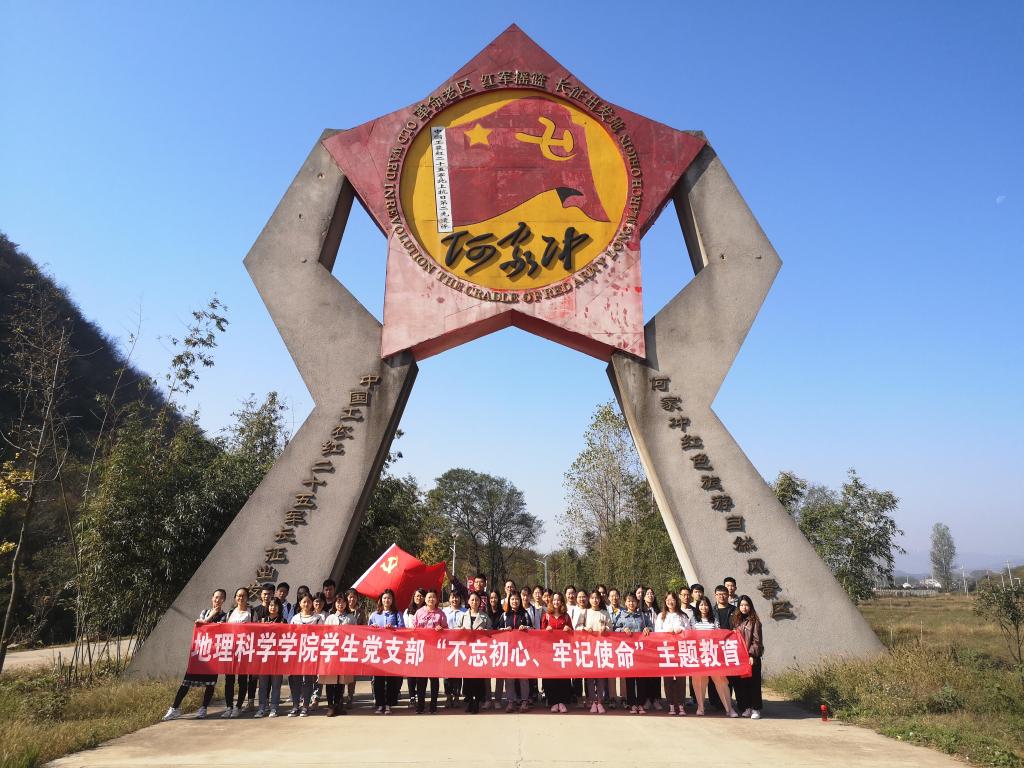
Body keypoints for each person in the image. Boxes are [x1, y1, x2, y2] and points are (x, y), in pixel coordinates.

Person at [162, 588, 227, 721]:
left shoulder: (225, 616)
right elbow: (200, 625)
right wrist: (211, 615)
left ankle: (203, 708)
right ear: (212, 598)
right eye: (216, 597)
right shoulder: (205, 612)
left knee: (210, 684)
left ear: (224, 600)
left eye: (221, 598)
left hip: (213, 654)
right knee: (186, 682)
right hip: (200, 652)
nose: (218, 600)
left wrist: (217, 624)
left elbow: (223, 631)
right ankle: (174, 708)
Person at [691, 596, 738, 717]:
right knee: (699, 681)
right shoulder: (693, 619)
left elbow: (719, 633)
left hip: (713, 654)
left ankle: (729, 709)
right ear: (698, 607)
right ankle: (701, 708)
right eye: (701, 605)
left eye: (706, 605)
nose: (704, 607)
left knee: (721, 681)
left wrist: (732, 633)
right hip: (698, 655)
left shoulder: (714, 618)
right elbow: (689, 635)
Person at [614, 592, 652, 713]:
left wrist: (648, 629)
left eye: (633, 601)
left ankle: (641, 703)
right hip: (627, 651)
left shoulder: (642, 615)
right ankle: (632, 704)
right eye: (629, 601)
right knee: (630, 679)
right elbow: (614, 629)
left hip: (640, 651)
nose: (631, 603)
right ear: (625, 602)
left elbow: (651, 627)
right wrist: (622, 629)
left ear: (637, 602)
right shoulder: (620, 615)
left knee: (641, 679)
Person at [367, 589, 404, 713]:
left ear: (392, 600)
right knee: (378, 679)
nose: (386, 600)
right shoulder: (374, 615)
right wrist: (372, 628)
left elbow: (403, 629)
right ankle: (380, 704)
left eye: (389, 598)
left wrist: (394, 628)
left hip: (392, 650)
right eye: (384, 598)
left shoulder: (397, 614)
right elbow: (367, 630)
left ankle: (389, 704)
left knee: (391, 679)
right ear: (381, 600)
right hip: (378, 650)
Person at [655, 590, 691, 715]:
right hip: (666, 651)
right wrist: (666, 631)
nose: (670, 602)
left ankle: (681, 705)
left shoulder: (683, 615)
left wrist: (681, 629)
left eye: (673, 599)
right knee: (668, 679)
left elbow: (689, 630)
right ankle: (671, 704)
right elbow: (657, 632)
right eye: (668, 599)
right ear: (665, 601)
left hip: (680, 651)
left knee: (681, 679)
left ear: (676, 601)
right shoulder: (661, 616)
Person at [288, 593, 323, 717]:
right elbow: (290, 635)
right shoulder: (295, 618)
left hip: (310, 652)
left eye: (309, 601)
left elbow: (322, 635)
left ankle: (305, 706)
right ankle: (295, 706)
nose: (306, 604)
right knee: (295, 680)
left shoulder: (318, 618)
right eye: (304, 602)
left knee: (308, 680)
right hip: (297, 653)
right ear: (300, 603)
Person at [412, 588, 448, 713]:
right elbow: (413, 629)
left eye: (433, 597)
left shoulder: (440, 614)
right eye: (428, 597)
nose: (431, 599)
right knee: (421, 680)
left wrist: (442, 630)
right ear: (425, 599)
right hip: (422, 650)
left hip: (435, 651)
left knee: (434, 679)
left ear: (437, 599)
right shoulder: (419, 612)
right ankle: (420, 705)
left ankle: (433, 705)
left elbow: (447, 630)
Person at [456, 592, 492, 713]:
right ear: (468, 601)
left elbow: (492, 632)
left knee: (478, 678)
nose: (474, 602)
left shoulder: (485, 616)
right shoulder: (463, 616)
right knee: (467, 678)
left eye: (477, 600)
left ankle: (477, 701)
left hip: (479, 651)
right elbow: (455, 631)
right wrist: (460, 630)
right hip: (466, 651)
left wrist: (484, 630)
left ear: (480, 602)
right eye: (472, 600)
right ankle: (470, 700)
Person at [497, 590, 532, 712]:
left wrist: (525, 628)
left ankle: (524, 702)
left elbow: (533, 629)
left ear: (520, 601)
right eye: (512, 599)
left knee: (523, 677)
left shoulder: (525, 614)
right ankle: (510, 702)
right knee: (509, 677)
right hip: (509, 651)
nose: (515, 601)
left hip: (522, 651)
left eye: (517, 599)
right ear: (509, 601)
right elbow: (497, 630)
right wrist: (504, 630)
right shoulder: (504, 615)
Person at [221, 587, 253, 719]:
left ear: (247, 598)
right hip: (230, 649)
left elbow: (256, 631)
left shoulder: (251, 613)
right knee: (229, 679)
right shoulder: (230, 613)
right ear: (235, 598)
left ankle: (238, 706)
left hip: (244, 650)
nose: (241, 598)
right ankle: (229, 707)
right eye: (238, 595)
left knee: (242, 679)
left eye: (243, 595)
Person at [731, 595, 764, 719]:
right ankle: (747, 707)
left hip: (751, 657)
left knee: (754, 684)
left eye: (746, 605)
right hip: (740, 657)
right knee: (742, 684)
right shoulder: (736, 621)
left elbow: (757, 641)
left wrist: (752, 655)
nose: (744, 608)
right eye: (741, 605)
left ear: (750, 606)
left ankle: (756, 708)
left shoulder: (755, 622)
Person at [578, 590, 610, 713]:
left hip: (601, 648)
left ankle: (600, 701)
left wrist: (606, 628)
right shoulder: (585, 612)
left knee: (600, 677)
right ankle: (592, 701)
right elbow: (578, 627)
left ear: (600, 600)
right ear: (589, 599)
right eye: (592, 598)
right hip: (588, 648)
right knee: (590, 677)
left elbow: (611, 628)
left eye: (597, 598)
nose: (595, 600)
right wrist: (585, 628)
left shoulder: (604, 613)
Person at [541, 592, 573, 713]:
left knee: (563, 677)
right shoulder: (546, 616)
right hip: (549, 651)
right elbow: (540, 633)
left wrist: (568, 629)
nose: (556, 602)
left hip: (563, 651)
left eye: (558, 600)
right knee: (550, 677)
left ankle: (562, 702)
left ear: (562, 602)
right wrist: (546, 630)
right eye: (554, 600)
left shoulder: (566, 617)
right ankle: (553, 701)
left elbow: (572, 632)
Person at [255, 596, 286, 718]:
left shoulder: (283, 621)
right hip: (264, 657)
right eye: (271, 605)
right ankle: (262, 708)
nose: (273, 607)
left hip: (277, 658)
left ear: (279, 607)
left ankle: (274, 708)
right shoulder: (262, 620)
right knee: (262, 685)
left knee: (276, 685)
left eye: (275, 605)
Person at [321, 593, 351, 716]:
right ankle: (330, 706)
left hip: (344, 652)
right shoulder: (330, 618)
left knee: (341, 681)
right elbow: (324, 634)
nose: (340, 604)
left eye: (343, 602)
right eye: (338, 602)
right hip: (331, 652)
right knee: (330, 680)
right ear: (335, 604)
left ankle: (339, 705)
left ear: (346, 604)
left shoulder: (350, 618)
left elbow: (356, 634)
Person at [442, 591, 467, 707]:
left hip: (460, 646)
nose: (454, 600)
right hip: (447, 646)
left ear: (460, 599)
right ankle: (448, 696)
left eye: (457, 597)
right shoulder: (444, 611)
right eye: (452, 597)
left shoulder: (465, 612)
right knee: (447, 673)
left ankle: (457, 696)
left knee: (458, 672)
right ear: (449, 599)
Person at [403, 588, 427, 707]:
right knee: (411, 672)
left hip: (425, 645)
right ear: (413, 597)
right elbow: (404, 627)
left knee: (422, 672)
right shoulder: (407, 611)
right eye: (417, 596)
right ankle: (412, 696)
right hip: (411, 644)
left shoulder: (427, 611)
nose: (419, 598)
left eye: (422, 596)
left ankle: (421, 696)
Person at [640, 587, 662, 711]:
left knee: (656, 674)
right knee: (646, 674)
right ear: (643, 597)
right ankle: (647, 699)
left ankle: (656, 699)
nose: (650, 595)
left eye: (652, 593)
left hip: (657, 645)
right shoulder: (640, 611)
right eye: (648, 594)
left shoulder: (659, 611)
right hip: (644, 646)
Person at [340, 589, 363, 705]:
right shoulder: (341, 610)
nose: (352, 599)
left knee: (352, 672)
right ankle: (340, 695)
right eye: (350, 597)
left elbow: (364, 627)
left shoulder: (360, 612)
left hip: (354, 645)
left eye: (354, 597)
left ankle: (350, 696)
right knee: (341, 672)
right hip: (340, 646)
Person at [569, 588, 589, 706]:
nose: (582, 599)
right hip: (576, 643)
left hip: (589, 644)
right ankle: (578, 696)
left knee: (587, 672)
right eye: (579, 597)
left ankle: (588, 697)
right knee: (577, 672)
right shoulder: (573, 610)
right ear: (576, 599)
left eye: (584, 596)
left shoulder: (591, 610)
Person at [484, 590, 504, 709]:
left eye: (495, 597)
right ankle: (488, 699)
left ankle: (497, 699)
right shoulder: (485, 613)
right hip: (487, 646)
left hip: (500, 646)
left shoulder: (503, 613)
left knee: (499, 674)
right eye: (491, 598)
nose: (493, 600)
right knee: (487, 674)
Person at [604, 588, 624, 709]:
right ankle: (612, 697)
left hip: (622, 645)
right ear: (608, 598)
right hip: (609, 644)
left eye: (616, 595)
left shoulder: (624, 610)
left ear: (619, 597)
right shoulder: (605, 611)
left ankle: (623, 697)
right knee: (611, 672)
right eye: (611, 596)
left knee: (623, 672)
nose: (614, 598)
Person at [527, 585, 545, 703]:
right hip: (531, 642)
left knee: (543, 666)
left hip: (542, 641)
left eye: (540, 593)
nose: (538, 595)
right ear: (532, 595)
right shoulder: (530, 608)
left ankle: (543, 690)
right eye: (536, 593)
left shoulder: (546, 608)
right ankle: (533, 691)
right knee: (532, 666)